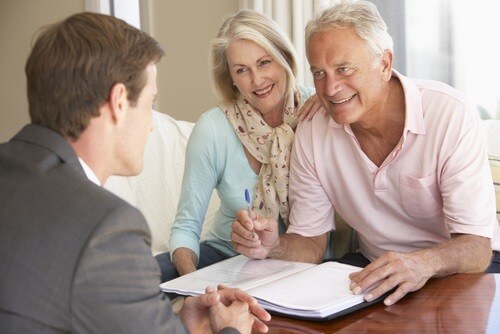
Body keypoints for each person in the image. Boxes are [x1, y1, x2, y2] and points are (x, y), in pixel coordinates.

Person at [0, 12, 271, 333]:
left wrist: (177, 324)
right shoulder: (107, 229)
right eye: (150, 103)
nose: (153, 123)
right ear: (117, 102)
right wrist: (231, 330)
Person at [231, 0, 500, 307]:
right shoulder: (312, 129)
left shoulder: (449, 114)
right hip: (373, 269)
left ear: (384, 64)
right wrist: (274, 245)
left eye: (344, 69)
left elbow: (477, 248)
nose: (330, 88)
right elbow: (310, 243)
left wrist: (421, 264)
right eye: (319, 73)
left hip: (464, 270)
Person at [155, 10, 325, 282]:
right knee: (138, 276)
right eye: (241, 70)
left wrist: (327, 101)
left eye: (264, 62)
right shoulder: (212, 129)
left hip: (299, 257)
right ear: (230, 78)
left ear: (284, 58)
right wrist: (193, 286)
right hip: (227, 255)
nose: (257, 80)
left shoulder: (318, 111)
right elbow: (186, 227)